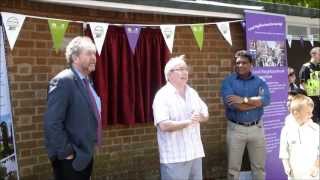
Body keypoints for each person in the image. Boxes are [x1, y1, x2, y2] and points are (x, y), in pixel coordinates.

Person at [44, 36, 101, 180]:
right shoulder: (63, 81)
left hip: (85, 156)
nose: (94, 58)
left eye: (94, 54)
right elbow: (52, 123)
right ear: (75, 58)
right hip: (71, 160)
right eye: (88, 54)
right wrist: (67, 153)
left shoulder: (87, 81)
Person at [152, 55, 209, 180]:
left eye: (186, 69)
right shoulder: (162, 96)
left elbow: (205, 114)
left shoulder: (192, 93)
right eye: (180, 69)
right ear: (169, 74)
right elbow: (164, 125)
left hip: (195, 153)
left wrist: (200, 117)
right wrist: (188, 122)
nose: (185, 72)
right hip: (174, 157)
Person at [220, 50, 271, 180]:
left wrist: (244, 99)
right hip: (236, 129)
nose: (240, 65)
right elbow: (236, 106)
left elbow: (266, 100)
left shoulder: (260, 81)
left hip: (257, 128)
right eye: (238, 63)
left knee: (259, 167)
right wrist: (255, 102)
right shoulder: (228, 82)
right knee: (233, 169)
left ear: (251, 64)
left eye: (244, 63)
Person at [279, 94, 319, 179]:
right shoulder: (286, 130)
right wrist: (287, 168)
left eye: (311, 112)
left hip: (313, 176)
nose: (311, 115)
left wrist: (316, 166)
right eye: (308, 113)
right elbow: (283, 152)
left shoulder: (316, 129)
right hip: (294, 176)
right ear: (296, 113)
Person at [299, 47, 320, 123]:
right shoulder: (306, 67)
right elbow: (302, 82)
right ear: (313, 55)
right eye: (319, 54)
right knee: (312, 121)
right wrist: (311, 94)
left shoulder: (318, 66)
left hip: (318, 99)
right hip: (311, 100)